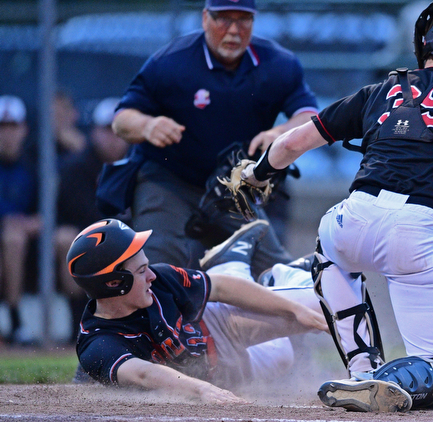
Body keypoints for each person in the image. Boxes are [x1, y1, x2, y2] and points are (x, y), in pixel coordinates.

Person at [235, 0, 433, 412]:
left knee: (330, 252)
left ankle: (362, 369)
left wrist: (255, 175)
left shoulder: (383, 89)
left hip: (353, 218)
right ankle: (388, 381)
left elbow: (295, 140)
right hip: (419, 230)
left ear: (423, 43)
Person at [110, 0, 319, 274]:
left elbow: (309, 116)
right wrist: (147, 125)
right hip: (170, 179)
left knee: (274, 269)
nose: (233, 30)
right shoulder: (172, 62)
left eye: (243, 20)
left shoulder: (277, 64)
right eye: (223, 19)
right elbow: (121, 119)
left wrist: (278, 132)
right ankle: (157, 320)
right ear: (205, 18)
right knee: (155, 267)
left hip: (233, 183)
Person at [68, 218, 327, 401]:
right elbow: (144, 373)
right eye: (140, 271)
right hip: (222, 372)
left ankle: (249, 267)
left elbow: (222, 289)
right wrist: (201, 389)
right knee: (283, 357)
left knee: (320, 304)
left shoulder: (161, 279)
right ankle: (263, 275)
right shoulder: (97, 345)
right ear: (115, 283)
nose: (151, 276)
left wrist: (294, 309)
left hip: (219, 324)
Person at [55, 97, 130, 343]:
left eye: (119, 131)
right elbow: (79, 212)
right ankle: (78, 323)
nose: (113, 137)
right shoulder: (76, 166)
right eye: (107, 130)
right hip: (88, 235)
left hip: (129, 236)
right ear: (95, 132)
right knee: (67, 239)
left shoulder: (138, 163)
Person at [0, 95, 40, 344]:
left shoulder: (35, 163)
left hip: (30, 245)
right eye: (2, 127)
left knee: (13, 239)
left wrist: (29, 224)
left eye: (12, 126)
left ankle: (15, 323)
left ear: (24, 129)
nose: (7, 134)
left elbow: (47, 215)